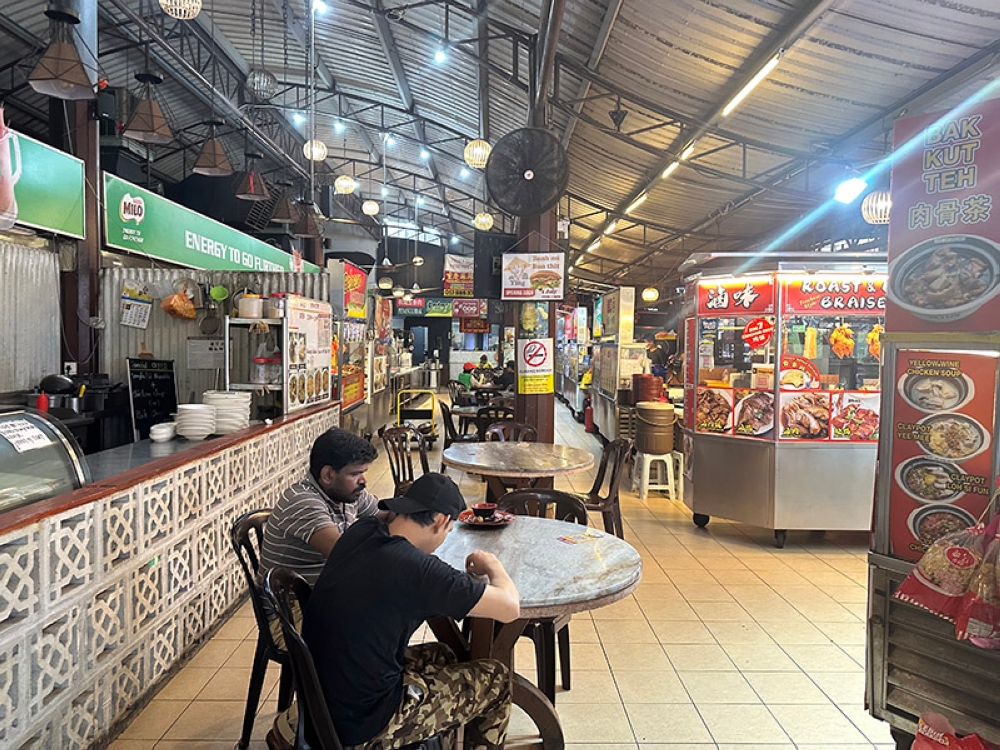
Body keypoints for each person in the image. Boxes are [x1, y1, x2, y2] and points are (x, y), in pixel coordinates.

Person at [303, 473, 519, 750]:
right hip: (363, 723)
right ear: (441, 520)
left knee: (444, 655)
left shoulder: (362, 531)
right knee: (496, 679)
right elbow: (510, 607)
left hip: (323, 702)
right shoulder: (417, 570)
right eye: (448, 530)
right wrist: (491, 563)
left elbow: (386, 527)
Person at [259, 428, 385, 587]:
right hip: (297, 599)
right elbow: (345, 554)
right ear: (328, 475)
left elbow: (385, 515)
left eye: (363, 472)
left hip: (329, 586)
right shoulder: (303, 502)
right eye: (355, 474)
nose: (363, 481)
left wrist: (409, 515)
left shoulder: (348, 493)